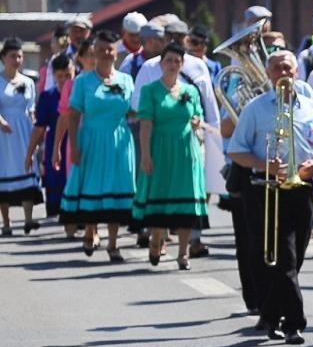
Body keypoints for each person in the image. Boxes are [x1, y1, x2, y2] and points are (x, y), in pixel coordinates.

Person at [228, 49, 313, 345]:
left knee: (295, 256)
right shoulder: (256, 108)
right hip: (265, 189)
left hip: (302, 188)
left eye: (288, 68)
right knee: (281, 258)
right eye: (277, 69)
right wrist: (264, 165)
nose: (283, 73)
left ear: (296, 72)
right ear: (268, 74)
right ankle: (294, 323)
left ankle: (271, 314)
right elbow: (236, 150)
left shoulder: (311, 107)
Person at [56, 32, 137, 262]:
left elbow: (132, 110)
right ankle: (91, 230)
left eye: (109, 49)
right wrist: (73, 146)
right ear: (94, 52)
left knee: (116, 187)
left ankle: (113, 243)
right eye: (100, 49)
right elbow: (73, 115)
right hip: (91, 138)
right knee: (93, 186)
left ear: (116, 51)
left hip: (119, 141)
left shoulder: (126, 80)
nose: (105, 53)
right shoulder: (83, 81)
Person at [134, 43, 208, 268]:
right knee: (161, 198)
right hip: (161, 149)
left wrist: (198, 126)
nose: (173, 64)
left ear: (182, 64)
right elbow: (145, 125)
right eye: (169, 60)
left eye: (177, 61)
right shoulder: (150, 91)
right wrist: (146, 155)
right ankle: (157, 239)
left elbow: (199, 122)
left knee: (185, 204)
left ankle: (183, 253)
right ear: (161, 63)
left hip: (186, 151)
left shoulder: (191, 91)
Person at [0, 39, 42, 235]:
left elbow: (31, 107)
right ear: (3, 58)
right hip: (4, 133)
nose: (16, 60)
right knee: (5, 170)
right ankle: (6, 222)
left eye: (19, 56)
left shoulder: (28, 82)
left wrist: (35, 127)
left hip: (24, 130)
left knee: (27, 166)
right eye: (12, 56)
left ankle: (28, 219)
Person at [28, 53, 73, 221]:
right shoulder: (48, 96)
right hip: (54, 142)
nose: (64, 80)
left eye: (68, 75)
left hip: (76, 140)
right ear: (53, 76)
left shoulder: (80, 91)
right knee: (55, 180)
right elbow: (39, 127)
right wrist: (29, 154)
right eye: (60, 76)